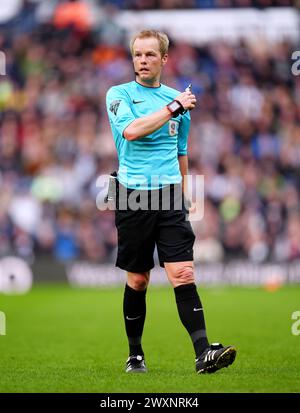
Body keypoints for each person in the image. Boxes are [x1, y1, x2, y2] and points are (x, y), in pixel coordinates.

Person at [105, 29, 237, 374]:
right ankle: (135, 354)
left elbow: (181, 154)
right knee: (138, 279)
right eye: (137, 54)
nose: (142, 61)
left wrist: (188, 197)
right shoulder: (118, 94)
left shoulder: (178, 103)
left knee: (183, 272)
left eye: (150, 55)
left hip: (169, 196)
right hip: (131, 195)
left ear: (164, 59)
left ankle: (203, 352)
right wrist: (174, 106)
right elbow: (132, 131)